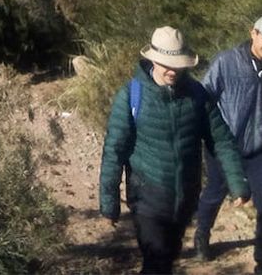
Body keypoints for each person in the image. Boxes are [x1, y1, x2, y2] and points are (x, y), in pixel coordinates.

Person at [99, 26, 250, 275]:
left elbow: (221, 140)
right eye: (167, 64)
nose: (173, 71)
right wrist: (109, 202)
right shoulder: (131, 96)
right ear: (152, 60)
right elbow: (114, 150)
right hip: (147, 194)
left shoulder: (198, 96)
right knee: (156, 259)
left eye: (178, 65)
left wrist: (237, 183)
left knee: (168, 258)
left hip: (185, 197)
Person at [194, 15, 262, 274]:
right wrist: (209, 134)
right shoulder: (226, 62)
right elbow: (204, 98)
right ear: (253, 33)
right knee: (215, 191)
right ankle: (202, 234)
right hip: (225, 144)